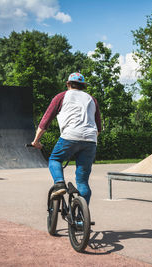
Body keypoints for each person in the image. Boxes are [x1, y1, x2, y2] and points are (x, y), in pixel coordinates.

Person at [31, 73, 101, 205]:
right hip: (91, 139)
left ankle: (59, 184)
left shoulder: (62, 96)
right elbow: (98, 128)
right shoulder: (92, 99)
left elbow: (45, 121)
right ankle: (81, 219)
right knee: (82, 181)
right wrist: (87, 141)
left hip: (70, 136)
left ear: (68, 84)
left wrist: (36, 141)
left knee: (55, 159)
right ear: (83, 86)